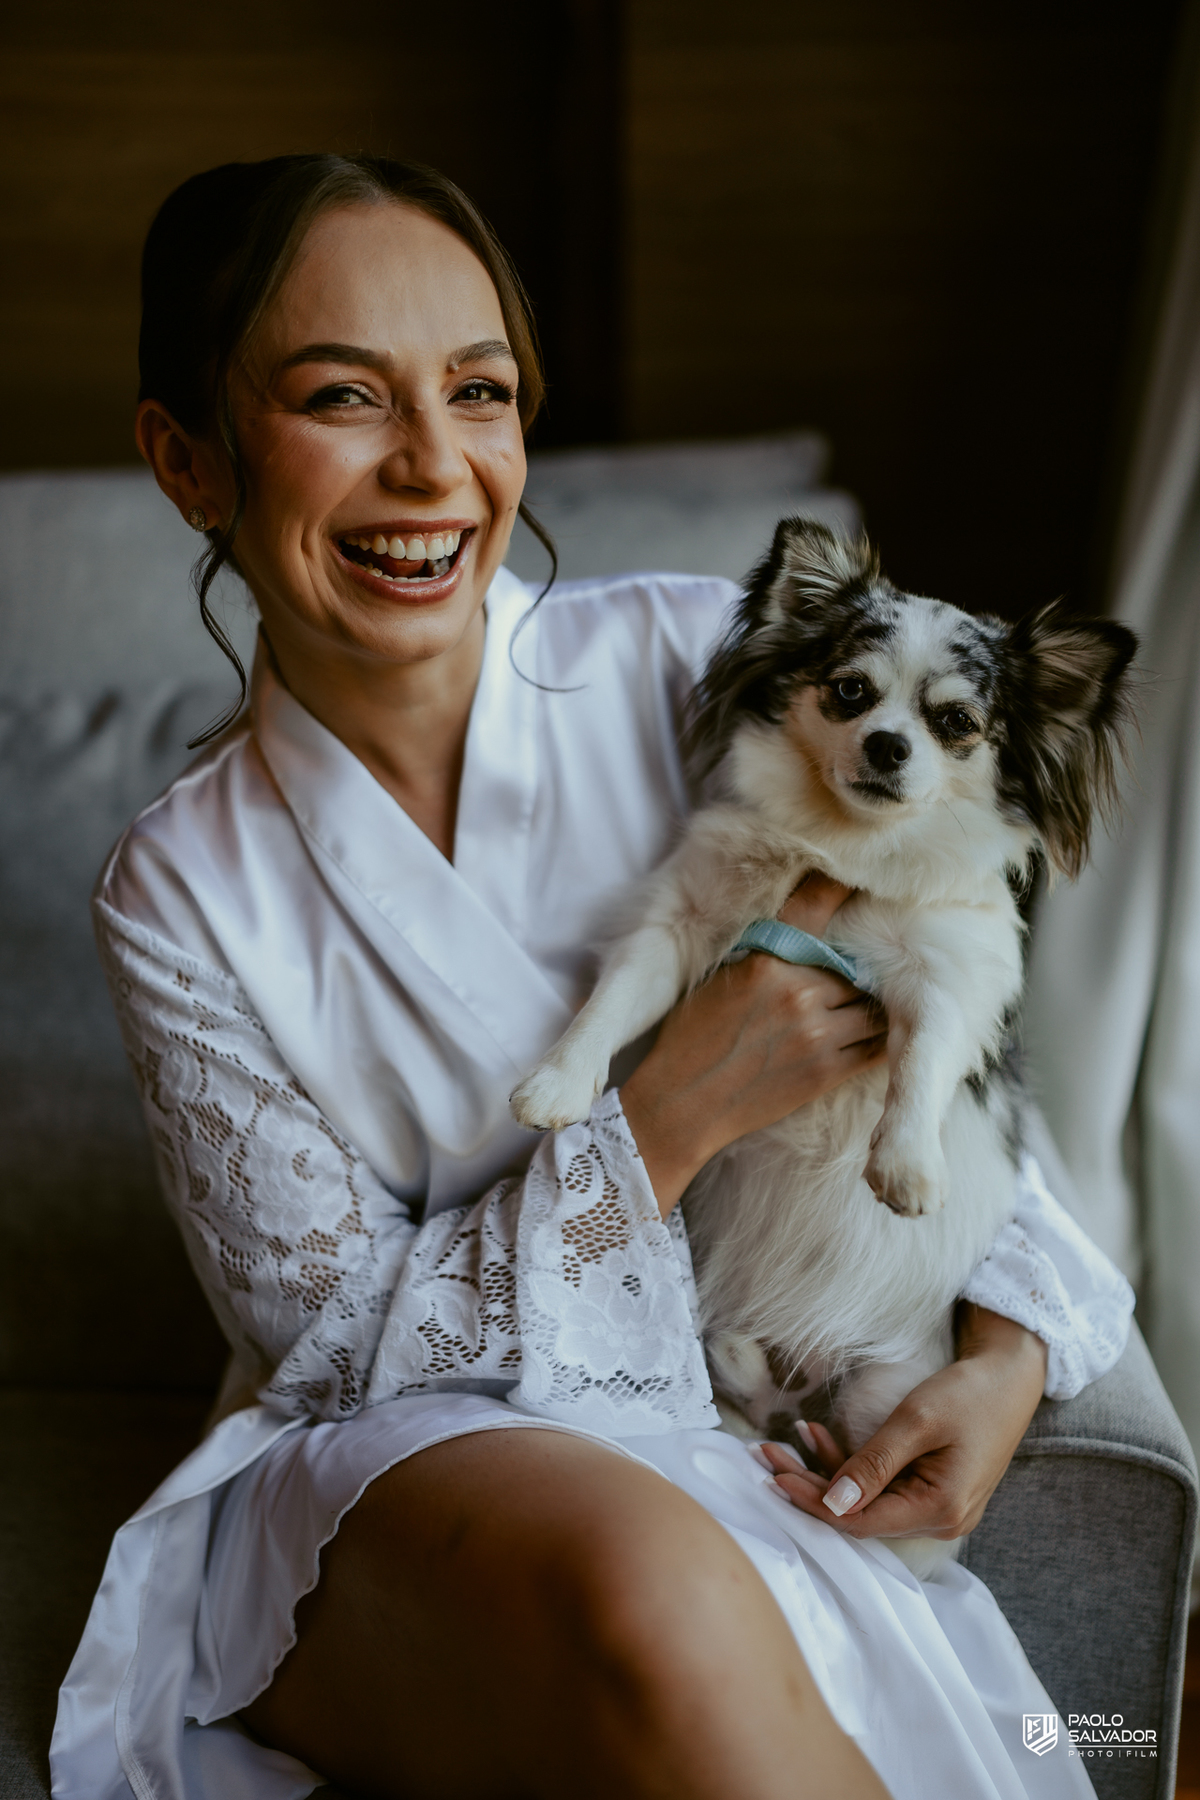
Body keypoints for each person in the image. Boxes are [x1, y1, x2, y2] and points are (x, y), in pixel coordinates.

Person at [51, 154, 1130, 1800]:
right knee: (653, 1598)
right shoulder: (183, 890)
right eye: (345, 396)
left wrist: (1008, 1354)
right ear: (187, 458)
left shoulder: (696, 668)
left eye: (478, 393)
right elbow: (337, 1344)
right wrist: (665, 1123)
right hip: (404, 1447)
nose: (432, 467)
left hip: (768, 1379)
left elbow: (953, 1006)